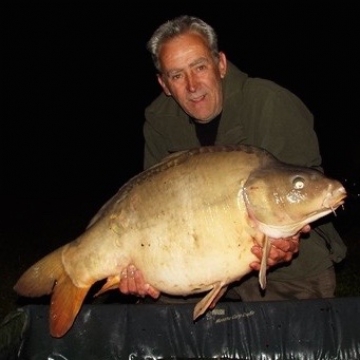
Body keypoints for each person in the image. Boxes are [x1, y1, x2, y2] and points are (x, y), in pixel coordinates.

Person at [118, 15, 346, 304]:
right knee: (160, 308)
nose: (192, 85)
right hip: (198, 252)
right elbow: (149, 208)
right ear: (164, 84)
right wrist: (141, 265)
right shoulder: (159, 121)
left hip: (287, 263)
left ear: (221, 64)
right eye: (177, 75)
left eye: (199, 67)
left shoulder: (270, 103)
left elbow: (297, 191)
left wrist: (287, 241)